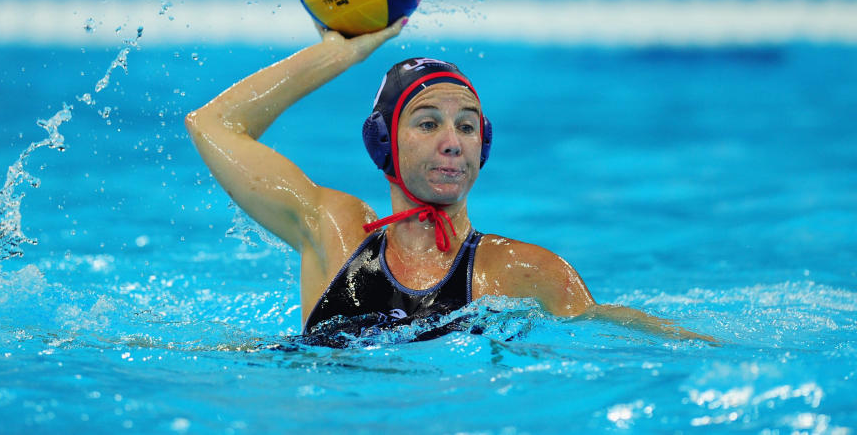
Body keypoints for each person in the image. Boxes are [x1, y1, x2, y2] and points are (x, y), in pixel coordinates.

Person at [185, 18, 713, 343]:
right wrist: (339, 54)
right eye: (428, 122)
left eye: (466, 125)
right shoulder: (335, 231)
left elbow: (615, 335)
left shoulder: (524, 269)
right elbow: (212, 124)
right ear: (383, 143)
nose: (453, 141)